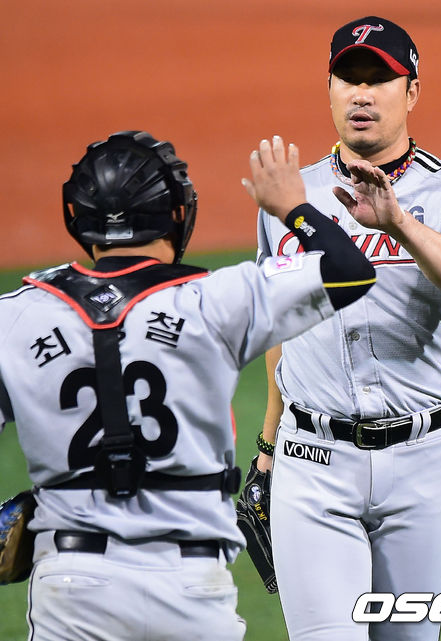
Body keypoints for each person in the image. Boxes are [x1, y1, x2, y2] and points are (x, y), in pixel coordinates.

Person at [0, 130, 375, 641]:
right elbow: (349, 271)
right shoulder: (217, 299)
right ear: (177, 213)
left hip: (72, 583)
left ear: (78, 217)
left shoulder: (17, 316)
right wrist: (293, 208)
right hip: (191, 587)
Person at [251, 16, 441, 641]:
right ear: (330, 88)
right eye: (349, 78)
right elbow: (280, 327)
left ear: (412, 92)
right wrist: (266, 448)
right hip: (313, 464)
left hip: (421, 467)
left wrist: (399, 223)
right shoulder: (294, 197)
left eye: (380, 79)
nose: (362, 94)